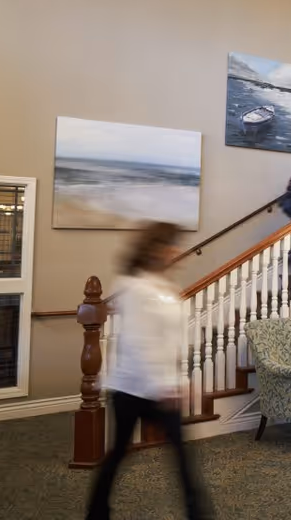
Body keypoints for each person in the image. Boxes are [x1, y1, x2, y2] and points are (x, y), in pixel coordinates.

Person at [86, 222, 212, 520]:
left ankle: (196, 512)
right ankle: (97, 512)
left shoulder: (166, 288)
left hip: (161, 386)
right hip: (131, 388)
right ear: (154, 249)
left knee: (181, 453)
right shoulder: (134, 288)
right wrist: (163, 386)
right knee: (120, 451)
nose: (176, 251)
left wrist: (180, 380)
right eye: (170, 245)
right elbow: (139, 342)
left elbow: (172, 340)